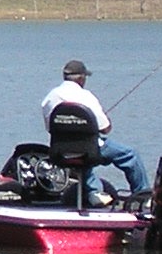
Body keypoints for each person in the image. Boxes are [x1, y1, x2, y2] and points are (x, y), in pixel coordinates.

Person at [39, 59, 149, 204]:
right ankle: (143, 195)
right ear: (81, 78)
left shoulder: (49, 98)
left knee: (81, 157)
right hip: (90, 150)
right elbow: (105, 128)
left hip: (60, 151)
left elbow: (50, 128)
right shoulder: (86, 96)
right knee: (130, 155)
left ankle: (94, 192)